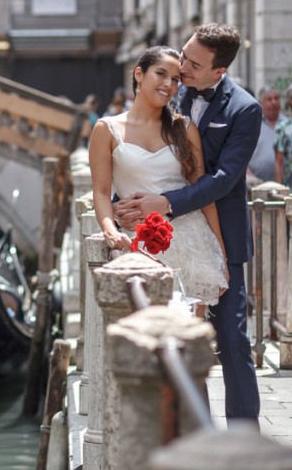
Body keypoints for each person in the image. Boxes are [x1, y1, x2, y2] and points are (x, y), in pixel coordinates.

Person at [115, 22, 261, 425]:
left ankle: (244, 439)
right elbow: (140, 157)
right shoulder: (170, 91)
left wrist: (165, 203)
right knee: (176, 341)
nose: (182, 67)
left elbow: (224, 180)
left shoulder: (245, 109)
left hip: (221, 238)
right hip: (162, 242)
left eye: (193, 64)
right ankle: (197, 432)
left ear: (220, 71)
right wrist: (121, 204)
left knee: (232, 341)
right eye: (183, 55)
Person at [89, 47, 228, 311]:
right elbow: (101, 192)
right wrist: (110, 231)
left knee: (189, 342)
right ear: (139, 74)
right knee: (145, 339)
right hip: (138, 245)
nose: (169, 84)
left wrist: (218, 251)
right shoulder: (106, 129)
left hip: (192, 245)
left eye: (175, 79)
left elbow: (202, 192)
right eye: (161, 74)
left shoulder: (185, 128)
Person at [246, 85, 281, 187]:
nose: (274, 102)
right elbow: (241, 153)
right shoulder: (252, 125)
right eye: (269, 99)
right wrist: (249, 175)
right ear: (260, 103)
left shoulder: (288, 124)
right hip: (257, 185)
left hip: (285, 185)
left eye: (276, 98)